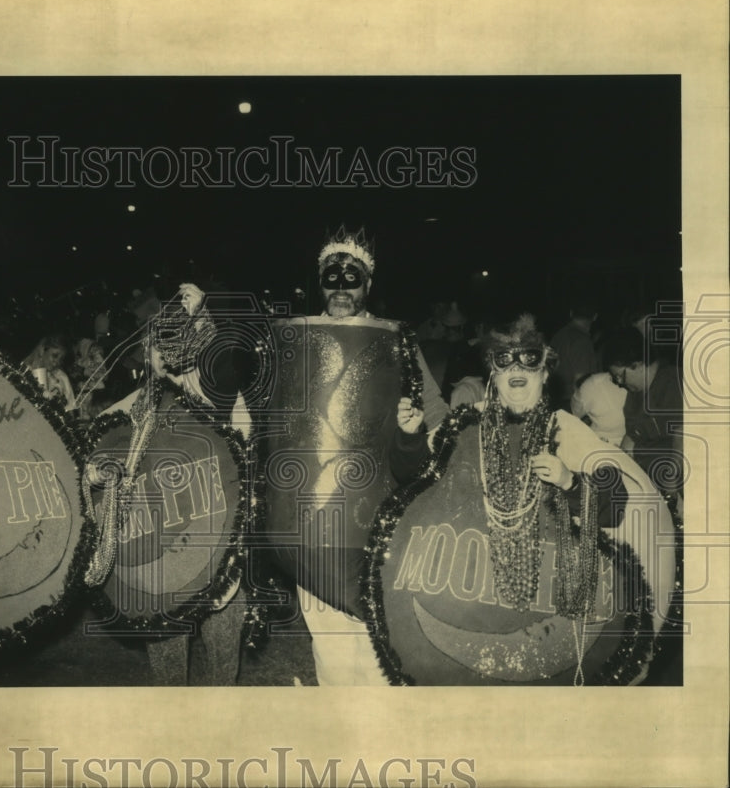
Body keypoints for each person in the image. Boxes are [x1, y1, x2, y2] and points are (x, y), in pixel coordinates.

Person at [378, 314, 676, 685]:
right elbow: (413, 478)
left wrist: (570, 483)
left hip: (544, 609)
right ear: (493, 375)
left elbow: (615, 506)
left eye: (529, 362)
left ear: (545, 375)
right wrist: (408, 437)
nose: (516, 369)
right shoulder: (467, 426)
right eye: (504, 362)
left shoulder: (566, 431)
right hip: (472, 596)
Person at [271, 227, 448, 685]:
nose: (342, 287)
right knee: (327, 637)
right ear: (321, 283)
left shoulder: (397, 342)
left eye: (353, 278)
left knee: (374, 637)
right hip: (309, 516)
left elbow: (439, 417)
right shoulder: (296, 342)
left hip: (374, 510)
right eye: (332, 277)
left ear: (368, 285)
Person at [83, 283, 249, 685]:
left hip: (218, 557)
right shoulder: (126, 411)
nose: (167, 354)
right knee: (169, 673)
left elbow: (225, 367)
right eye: (159, 345)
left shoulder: (218, 397)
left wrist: (202, 318)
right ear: (146, 353)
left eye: (177, 341)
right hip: (159, 565)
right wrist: (95, 473)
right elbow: (95, 461)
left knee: (223, 666)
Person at [602, 326, 683, 500]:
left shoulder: (673, 383)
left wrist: (672, 481)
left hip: (675, 486)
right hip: (648, 483)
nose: (619, 383)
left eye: (620, 376)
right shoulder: (635, 395)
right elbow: (631, 438)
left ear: (637, 365)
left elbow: (682, 436)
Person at [549, 299, 600, 409]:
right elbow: (581, 381)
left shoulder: (558, 335)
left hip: (554, 400)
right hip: (571, 403)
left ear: (571, 313)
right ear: (595, 317)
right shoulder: (582, 341)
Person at [21, 334, 77, 410]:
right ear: (42, 350)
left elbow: (71, 409)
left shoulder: (62, 377)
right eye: (54, 356)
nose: (57, 362)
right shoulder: (24, 371)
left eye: (61, 359)